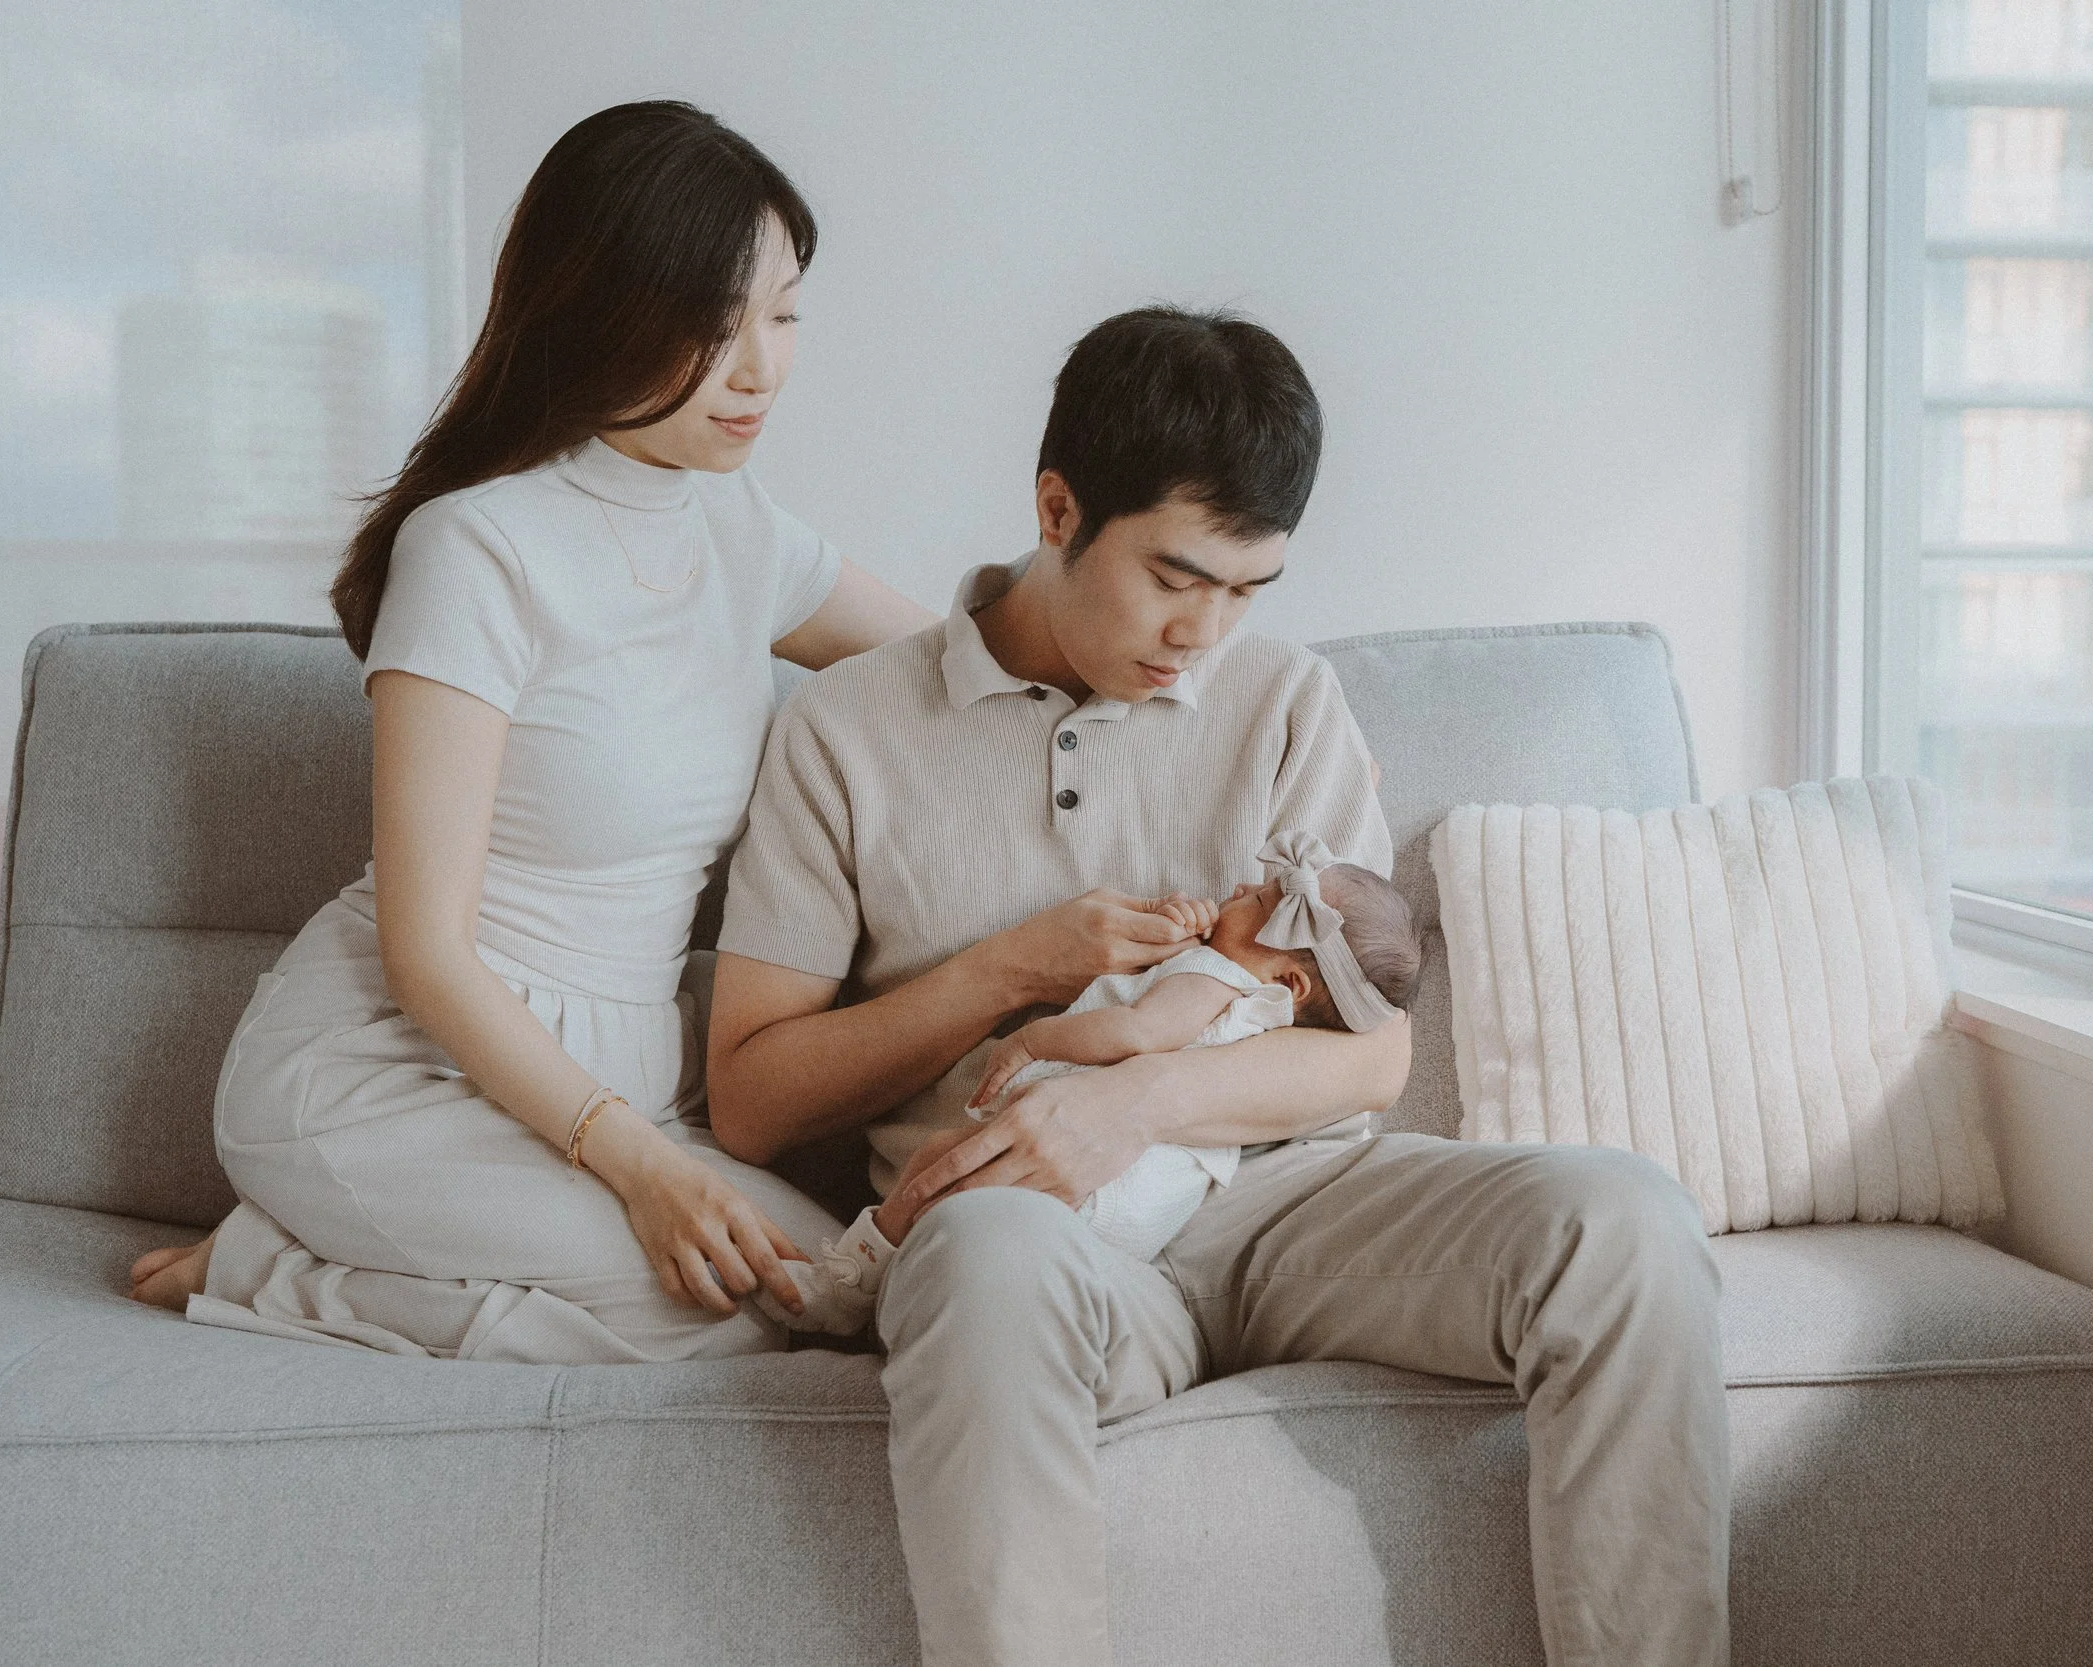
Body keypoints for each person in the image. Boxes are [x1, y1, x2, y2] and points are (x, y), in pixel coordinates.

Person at [705, 305, 1733, 1666]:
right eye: (1176, 576)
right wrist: (1013, 967)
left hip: (1303, 1209)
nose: (1207, 631)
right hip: (1044, 1239)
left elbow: (1368, 1055)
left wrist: (1144, 1101)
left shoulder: (1286, 700)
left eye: (1250, 588)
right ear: (1057, 506)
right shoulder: (843, 733)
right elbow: (753, 1099)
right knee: (981, 1253)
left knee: (1631, 1219)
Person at [125, 101, 935, 1361]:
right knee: (752, 1322)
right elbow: (428, 954)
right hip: (388, 1076)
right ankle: (276, 1267)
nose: (759, 368)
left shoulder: (745, 533)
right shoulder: (478, 547)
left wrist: (1146, 643)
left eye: (780, 313)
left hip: (611, 1080)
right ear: (593, 309)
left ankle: (307, 1259)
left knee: (848, 1289)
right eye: (709, 323)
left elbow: (953, 667)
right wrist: (639, 1168)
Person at [780, 832, 1422, 1332]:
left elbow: (1136, 1032)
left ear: (1291, 982)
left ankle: (847, 1289)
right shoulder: (1255, 1010)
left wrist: (1032, 1038)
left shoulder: (1214, 978)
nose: (1238, 887)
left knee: (932, 1169)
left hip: (1091, 1167)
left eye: (1256, 902)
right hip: (1139, 1207)